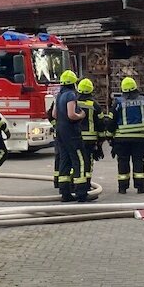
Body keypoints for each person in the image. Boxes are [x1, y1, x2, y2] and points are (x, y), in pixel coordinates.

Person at [52, 70, 91, 202]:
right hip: (71, 133)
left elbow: (54, 114)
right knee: (79, 160)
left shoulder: (59, 95)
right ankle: (81, 193)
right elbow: (71, 115)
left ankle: (65, 193)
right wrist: (81, 115)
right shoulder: (70, 95)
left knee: (64, 160)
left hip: (60, 132)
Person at [111, 76, 144, 193]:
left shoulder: (118, 102)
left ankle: (122, 188)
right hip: (140, 138)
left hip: (122, 138)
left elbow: (112, 120)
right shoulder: (143, 101)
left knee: (123, 162)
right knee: (139, 161)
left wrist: (109, 135)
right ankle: (141, 187)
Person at [76, 78, 105, 192]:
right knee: (88, 162)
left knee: (76, 161)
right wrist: (101, 140)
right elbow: (101, 123)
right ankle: (86, 184)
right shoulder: (94, 105)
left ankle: (75, 184)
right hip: (90, 139)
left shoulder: (73, 103)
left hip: (76, 138)